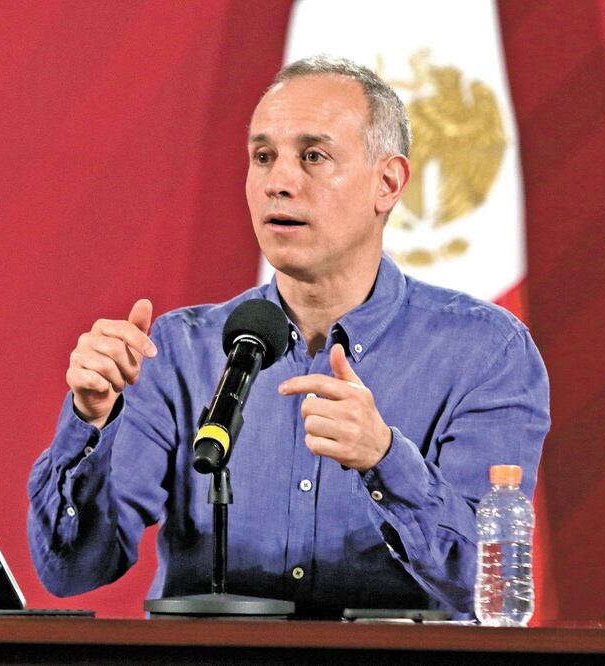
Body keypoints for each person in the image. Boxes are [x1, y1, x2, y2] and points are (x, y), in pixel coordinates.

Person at [27, 55, 549, 619]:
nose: (278, 183)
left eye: (313, 156)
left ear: (388, 182)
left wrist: (385, 459)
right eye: (263, 157)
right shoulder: (178, 351)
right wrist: (90, 420)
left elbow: (490, 591)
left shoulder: (485, 353)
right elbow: (70, 569)